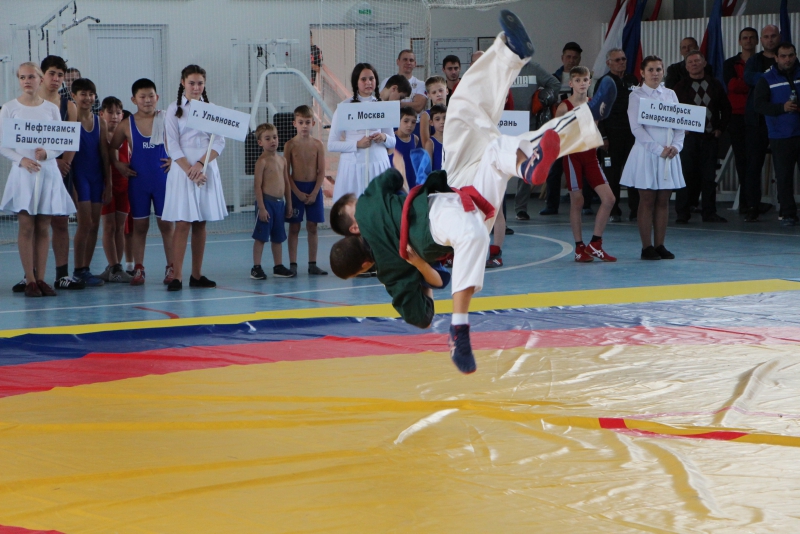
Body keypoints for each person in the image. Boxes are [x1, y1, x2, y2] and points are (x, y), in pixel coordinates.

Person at [329, 11, 611, 374]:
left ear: (363, 267)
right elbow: (391, 182)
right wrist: (408, 243)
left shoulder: (391, 272)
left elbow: (423, 312)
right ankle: (518, 69)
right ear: (353, 230)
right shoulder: (370, 208)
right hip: (444, 205)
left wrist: (415, 265)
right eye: (351, 207)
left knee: (473, 126)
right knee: (471, 131)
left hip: (450, 188)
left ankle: (554, 127)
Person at [0, 62, 76, 297]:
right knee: (26, 226)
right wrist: (22, 160)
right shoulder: (9, 108)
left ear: (40, 79)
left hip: (47, 172)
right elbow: (3, 144)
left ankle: (42, 278)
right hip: (24, 173)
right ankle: (30, 279)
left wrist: (48, 154)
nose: (27, 81)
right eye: (22, 77)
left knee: (43, 226)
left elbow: (61, 142)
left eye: (31, 77)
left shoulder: (51, 109)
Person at [162, 65, 227, 291]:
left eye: (200, 83)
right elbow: (172, 143)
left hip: (205, 166)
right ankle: (177, 276)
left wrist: (201, 165)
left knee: (200, 222)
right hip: (182, 169)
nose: (196, 87)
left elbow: (219, 141)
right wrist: (189, 169)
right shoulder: (174, 109)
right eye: (192, 83)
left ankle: (196, 275)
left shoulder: (212, 109)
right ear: (183, 83)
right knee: (183, 222)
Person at [109, 78, 175, 286]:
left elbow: (183, 142)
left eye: (151, 96)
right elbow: (112, 147)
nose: (147, 100)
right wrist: (118, 165)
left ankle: (172, 266)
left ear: (157, 97)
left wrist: (175, 159)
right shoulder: (126, 124)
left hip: (163, 181)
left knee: (167, 225)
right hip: (139, 183)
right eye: (142, 97)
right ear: (134, 100)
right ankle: (139, 268)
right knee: (140, 226)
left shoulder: (167, 119)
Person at [621, 56, 685, 261]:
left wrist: (676, 146)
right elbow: (636, 128)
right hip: (647, 153)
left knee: (664, 200)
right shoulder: (636, 96)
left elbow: (680, 124)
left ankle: (660, 245)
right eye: (651, 69)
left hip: (669, 153)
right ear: (642, 72)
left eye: (658, 69)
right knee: (647, 200)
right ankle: (646, 246)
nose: (655, 73)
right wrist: (658, 150)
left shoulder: (670, 94)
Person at [556, 66, 616, 263]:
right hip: (573, 156)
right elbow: (556, 136)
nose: (582, 83)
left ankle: (595, 244)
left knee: (609, 199)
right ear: (571, 83)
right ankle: (579, 247)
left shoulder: (594, 104)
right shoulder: (564, 107)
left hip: (590, 155)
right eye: (578, 80)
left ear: (590, 82)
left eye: (585, 80)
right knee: (577, 201)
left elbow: (593, 130)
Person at [328, 65, 409, 202]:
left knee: (378, 205)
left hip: (378, 165)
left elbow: (392, 141)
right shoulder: (345, 107)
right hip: (353, 167)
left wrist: (384, 137)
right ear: (356, 82)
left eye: (371, 78)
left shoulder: (383, 106)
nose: (368, 82)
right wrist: (357, 144)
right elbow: (331, 145)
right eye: (363, 79)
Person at [673, 51, 731, 224]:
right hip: (688, 139)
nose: (694, 64)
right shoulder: (680, 87)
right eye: (690, 62)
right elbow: (672, 111)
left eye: (697, 61)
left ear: (704, 63)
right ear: (686, 66)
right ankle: (682, 213)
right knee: (685, 175)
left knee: (708, 177)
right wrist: (680, 129)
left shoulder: (715, 84)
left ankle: (709, 212)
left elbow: (726, 108)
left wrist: (720, 129)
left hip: (709, 138)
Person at [723, 27, 771, 218]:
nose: (748, 40)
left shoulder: (761, 61)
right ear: (739, 41)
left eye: (752, 37)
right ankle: (747, 203)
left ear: (757, 41)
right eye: (745, 37)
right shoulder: (730, 63)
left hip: (758, 116)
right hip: (736, 117)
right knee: (742, 161)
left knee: (754, 161)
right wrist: (756, 82)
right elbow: (732, 86)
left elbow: (760, 84)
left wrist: (753, 81)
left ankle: (752, 202)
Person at [71, 77, 111, 286]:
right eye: (83, 94)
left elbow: (105, 155)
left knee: (95, 224)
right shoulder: (70, 121)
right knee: (84, 223)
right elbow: (66, 155)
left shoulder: (100, 122)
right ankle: (78, 269)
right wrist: (71, 187)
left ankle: (85, 269)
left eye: (91, 94)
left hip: (96, 178)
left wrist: (108, 184)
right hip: (80, 178)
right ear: (74, 96)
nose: (87, 98)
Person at [754, 42, 800, 227]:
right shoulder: (766, 79)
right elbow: (759, 105)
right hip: (780, 136)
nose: (787, 59)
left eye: (791, 55)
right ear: (776, 57)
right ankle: (788, 213)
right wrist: (782, 108)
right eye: (783, 56)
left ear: (795, 55)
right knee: (784, 176)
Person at [541, 41, 589, 217]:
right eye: (568, 57)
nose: (571, 60)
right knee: (555, 168)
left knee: (584, 167)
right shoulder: (553, 79)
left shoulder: (586, 79)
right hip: (560, 129)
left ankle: (586, 204)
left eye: (575, 57)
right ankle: (551, 205)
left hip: (580, 129)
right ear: (562, 58)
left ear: (579, 59)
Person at [511, 56, 561, 221]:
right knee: (499, 167)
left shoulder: (533, 68)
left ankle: (521, 208)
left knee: (525, 166)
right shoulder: (501, 67)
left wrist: (543, 98)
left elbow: (555, 84)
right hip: (504, 123)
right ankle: (496, 210)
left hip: (528, 124)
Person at [596, 48, 640, 222]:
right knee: (612, 174)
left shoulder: (632, 80)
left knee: (634, 172)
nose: (622, 62)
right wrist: (603, 136)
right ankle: (613, 211)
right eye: (617, 60)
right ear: (609, 63)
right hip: (611, 135)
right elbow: (597, 112)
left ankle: (636, 210)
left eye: (623, 59)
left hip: (631, 134)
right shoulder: (604, 82)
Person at [743, 24, 781, 222]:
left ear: (779, 37)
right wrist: (774, 77)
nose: (770, 39)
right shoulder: (754, 60)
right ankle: (752, 206)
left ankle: (786, 208)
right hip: (757, 120)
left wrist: (765, 79)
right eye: (766, 36)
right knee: (753, 165)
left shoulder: (786, 57)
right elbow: (749, 78)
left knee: (784, 165)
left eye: (773, 36)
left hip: (782, 120)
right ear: (761, 40)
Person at [284, 105, 328, 276]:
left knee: (312, 226)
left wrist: (315, 192)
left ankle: (312, 264)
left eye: (307, 122)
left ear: (313, 123)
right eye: (301, 122)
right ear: (294, 123)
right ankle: (293, 264)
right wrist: (296, 192)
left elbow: (321, 171)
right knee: (294, 227)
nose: (304, 126)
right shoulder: (290, 145)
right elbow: (286, 173)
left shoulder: (318, 145)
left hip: (313, 188)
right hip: (296, 189)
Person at [250, 123, 293, 279]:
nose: (272, 141)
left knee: (278, 237)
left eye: (274, 137)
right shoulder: (261, 162)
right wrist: (262, 208)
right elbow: (257, 186)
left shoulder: (282, 160)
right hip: (266, 204)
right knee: (261, 237)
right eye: (267, 138)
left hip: (279, 204)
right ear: (260, 142)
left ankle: (278, 266)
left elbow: (287, 183)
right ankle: (256, 267)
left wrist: (289, 204)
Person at [98, 97, 134, 283]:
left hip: (125, 185)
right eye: (110, 112)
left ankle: (116, 267)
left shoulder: (127, 134)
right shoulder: (100, 135)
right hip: (107, 185)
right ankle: (113, 266)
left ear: (123, 115)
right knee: (109, 226)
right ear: (101, 114)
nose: (114, 116)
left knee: (120, 227)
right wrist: (108, 185)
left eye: (118, 113)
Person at [379, 50, 427, 114]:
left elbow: (419, 106)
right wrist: (410, 103)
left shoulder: (421, 84)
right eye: (405, 59)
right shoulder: (387, 81)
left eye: (411, 60)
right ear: (398, 62)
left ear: (415, 64)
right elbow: (381, 101)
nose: (408, 62)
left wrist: (396, 103)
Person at [391, 106, 420, 189]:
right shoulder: (392, 139)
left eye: (413, 122)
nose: (409, 125)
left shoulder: (415, 139)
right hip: (397, 179)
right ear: (398, 121)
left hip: (411, 178)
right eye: (406, 121)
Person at [419, 76, 447, 150]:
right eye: (434, 92)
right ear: (428, 95)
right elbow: (425, 145)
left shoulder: (453, 112)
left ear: (447, 91)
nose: (438, 94)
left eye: (441, 90)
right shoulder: (426, 115)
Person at [425, 104, 446, 171]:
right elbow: (428, 168)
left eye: (445, 118)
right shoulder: (430, 143)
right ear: (431, 122)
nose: (442, 122)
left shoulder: (453, 140)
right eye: (437, 119)